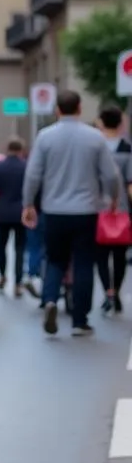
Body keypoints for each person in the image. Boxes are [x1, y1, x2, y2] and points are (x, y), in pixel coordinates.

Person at [22, 89, 120, 336]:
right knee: (84, 263)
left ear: (57, 110)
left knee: (55, 260)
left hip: (54, 211)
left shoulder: (45, 137)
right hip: (86, 211)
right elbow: (110, 175)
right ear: (79, 108)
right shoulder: (94, 138)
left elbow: (33, 175)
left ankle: (51, 299)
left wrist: (28, 204)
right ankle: (79, 320)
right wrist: (112, 199)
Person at [95, 105, 132, 314]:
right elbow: (130, 182)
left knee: (100, 255)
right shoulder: (127, 149)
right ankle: (115, 291)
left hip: (97, 207)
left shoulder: (95, 146)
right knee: (119, 255)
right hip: (121, 210)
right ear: (120, 123)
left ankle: (107, 290)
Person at [0, 138, 28, 298]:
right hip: (21, 211)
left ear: (7, 149)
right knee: (20, 248)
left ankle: (2, 276)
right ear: (21, 150)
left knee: (2, 245)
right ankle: (18, 282)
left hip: (3, 211)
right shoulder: (26, 167)